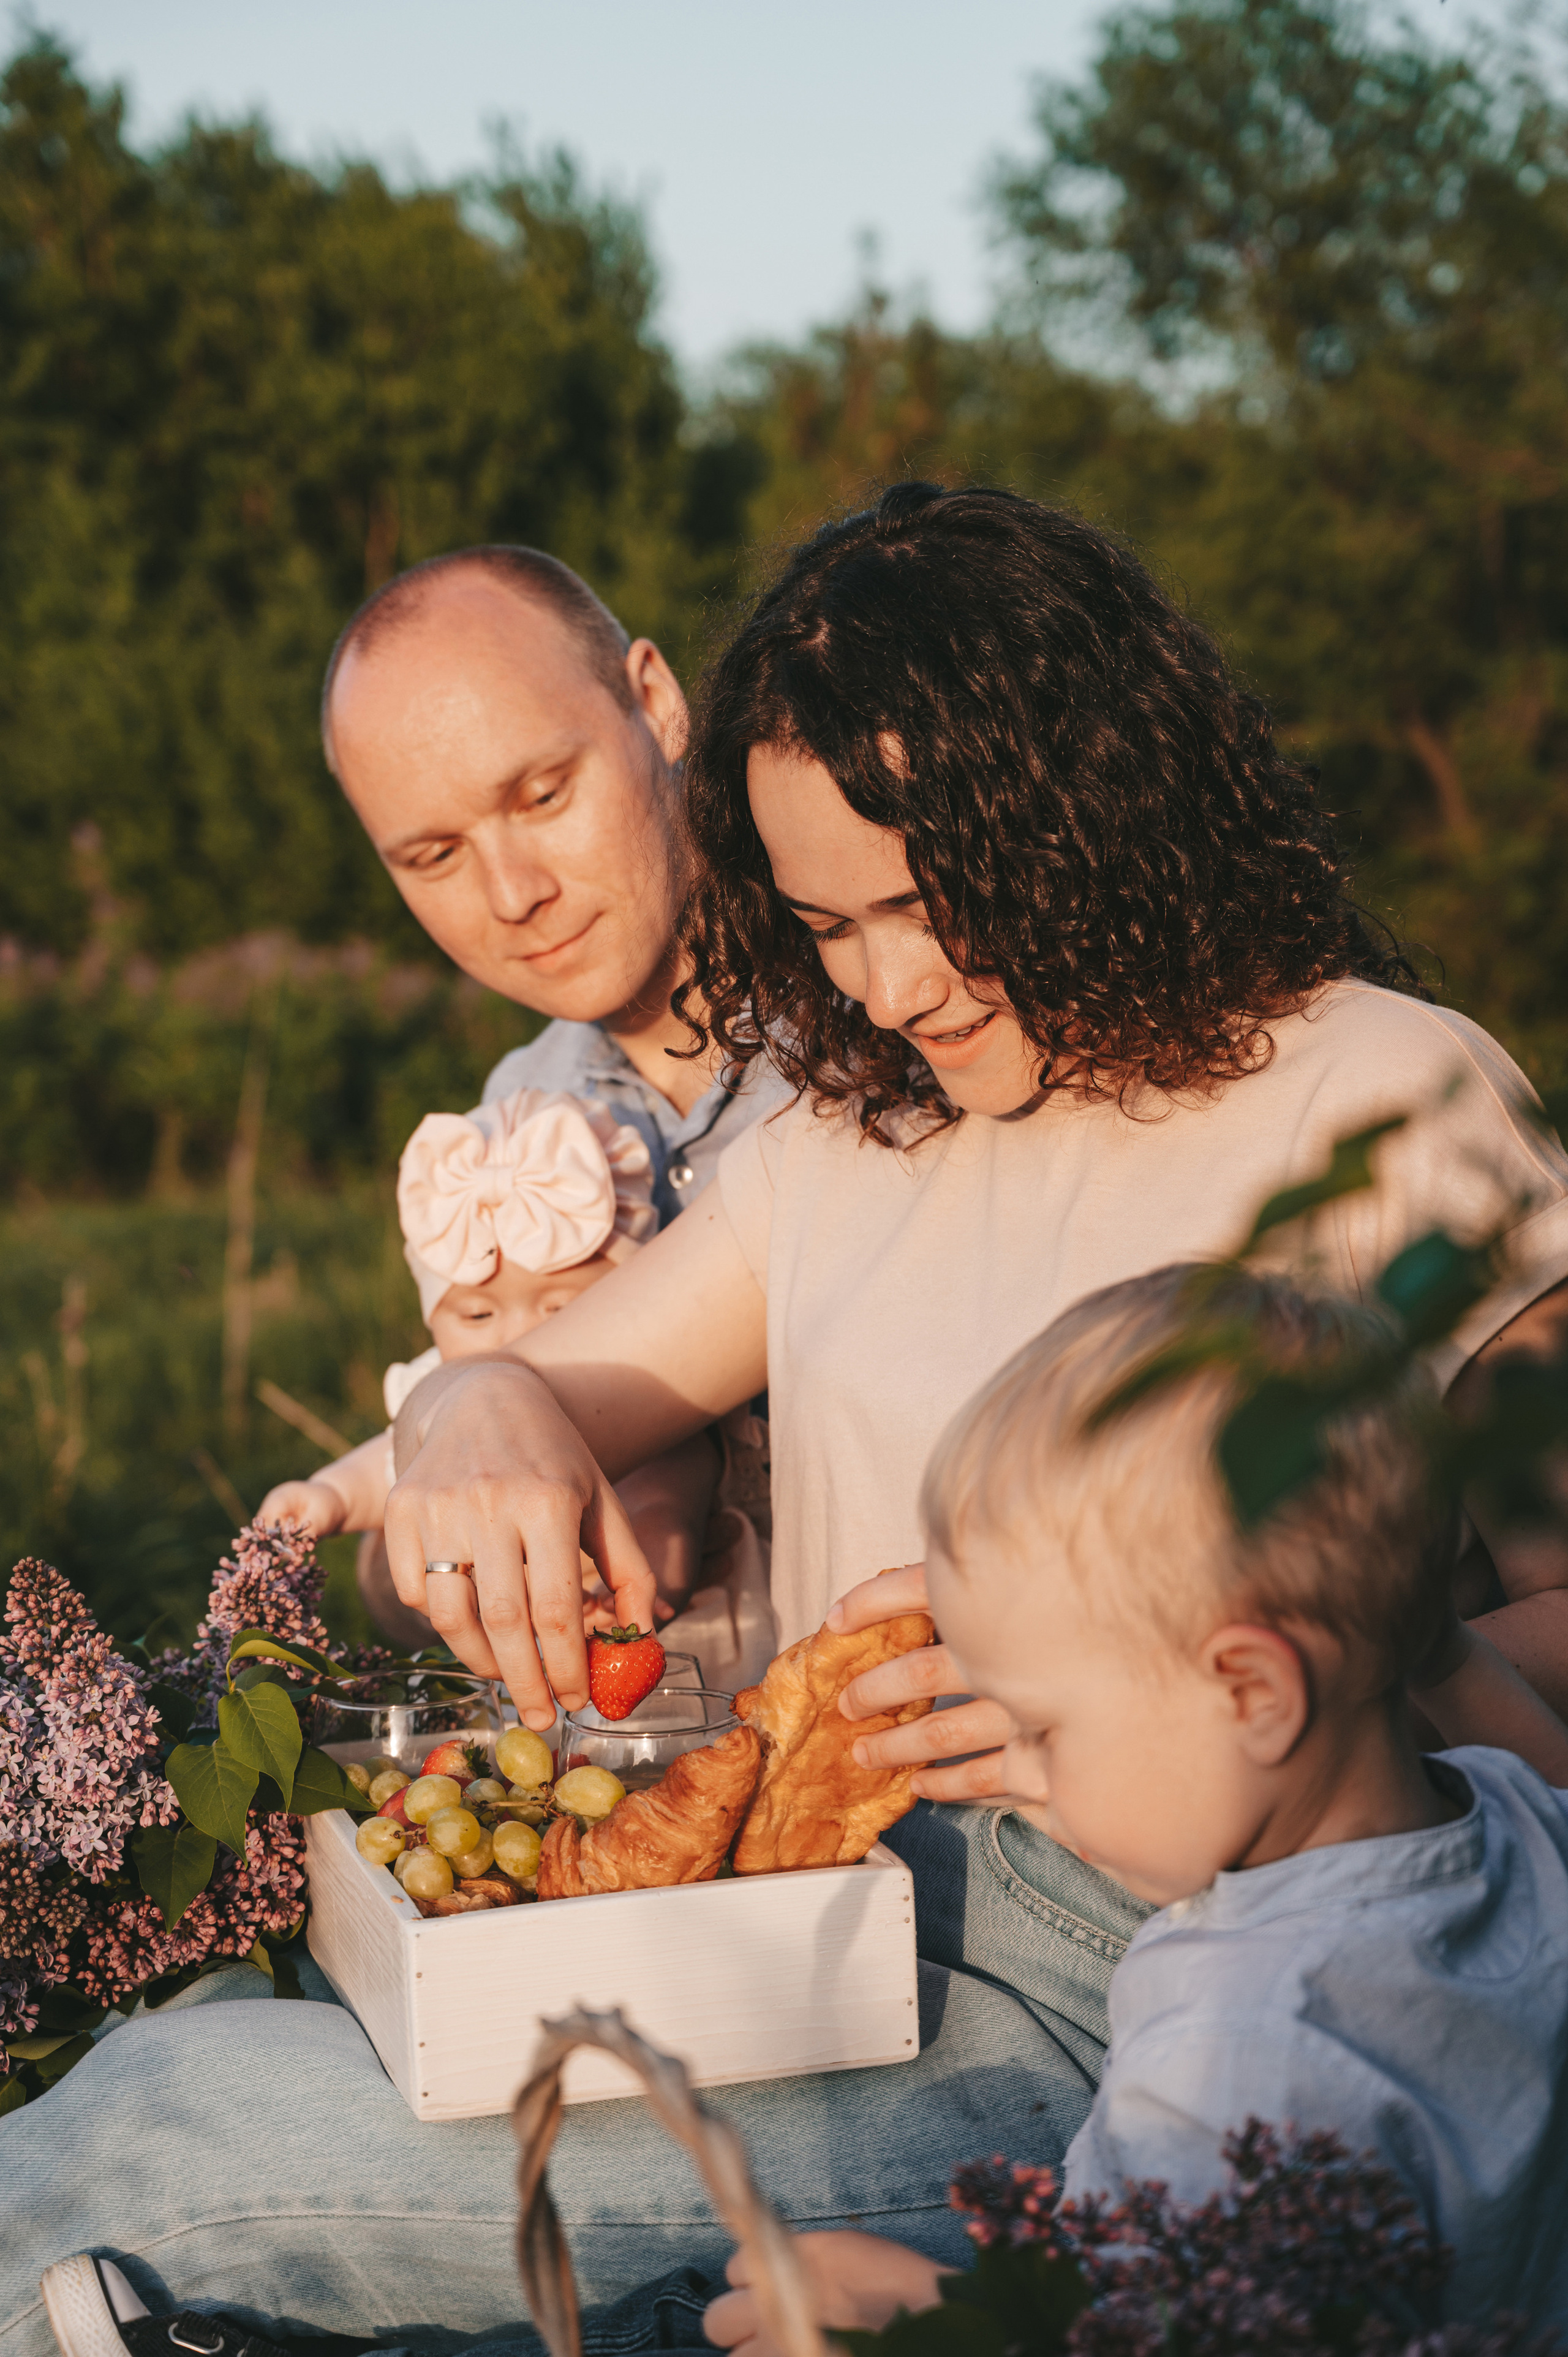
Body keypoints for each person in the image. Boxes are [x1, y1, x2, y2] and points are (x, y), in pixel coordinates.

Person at [9, 485, 1568, 2349]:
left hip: (1169, 1985)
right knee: (194, 2039)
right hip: (819, 1938)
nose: (888, 985)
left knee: (137, 2159)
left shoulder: (1386, 1098)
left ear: (1083, 806)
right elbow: (548, 1385)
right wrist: (480, 1414)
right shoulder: (856, 1123)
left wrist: (1149, 1693)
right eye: (827, 924)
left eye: (923, 902)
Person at [37, 1269, 1568, 2357]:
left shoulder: (1247, 2038)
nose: (1016, 1772)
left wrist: (933, 2318)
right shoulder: (1496, 1816)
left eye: (1036, 1727)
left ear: (1254, 1689)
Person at [316, 543, 792, 1641]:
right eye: (435, 856)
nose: (514, 893)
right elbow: (435, 1551)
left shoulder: (901, 1015)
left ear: (658, 704)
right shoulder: (502, 1131)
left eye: (543, 792)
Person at [255, 1087, 722, 1633]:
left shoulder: (645, 1392)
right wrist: (330, 1495)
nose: (517, 1339)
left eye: (562, 1309)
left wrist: (621, 1589)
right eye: (478, 1315)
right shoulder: (452, 1396)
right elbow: (393, 1464)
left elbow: (666, 1512)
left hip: (678, 1664)